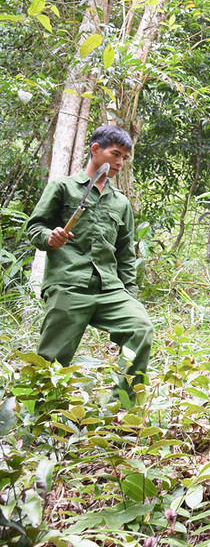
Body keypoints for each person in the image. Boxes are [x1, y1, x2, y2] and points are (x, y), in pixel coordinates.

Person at [26, 125, 153, 398]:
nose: (119, 163)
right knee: (51, 362)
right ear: (96, 149)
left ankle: (123, 407)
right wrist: (50, 238)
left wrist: (129, 296)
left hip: (110, 290)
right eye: (115, 154)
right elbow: (34, 228)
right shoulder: (63, 187)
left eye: (124, 158)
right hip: (68, 284)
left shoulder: (120, 202)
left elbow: (125, 254)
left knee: (141, 328)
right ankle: (38, 415)